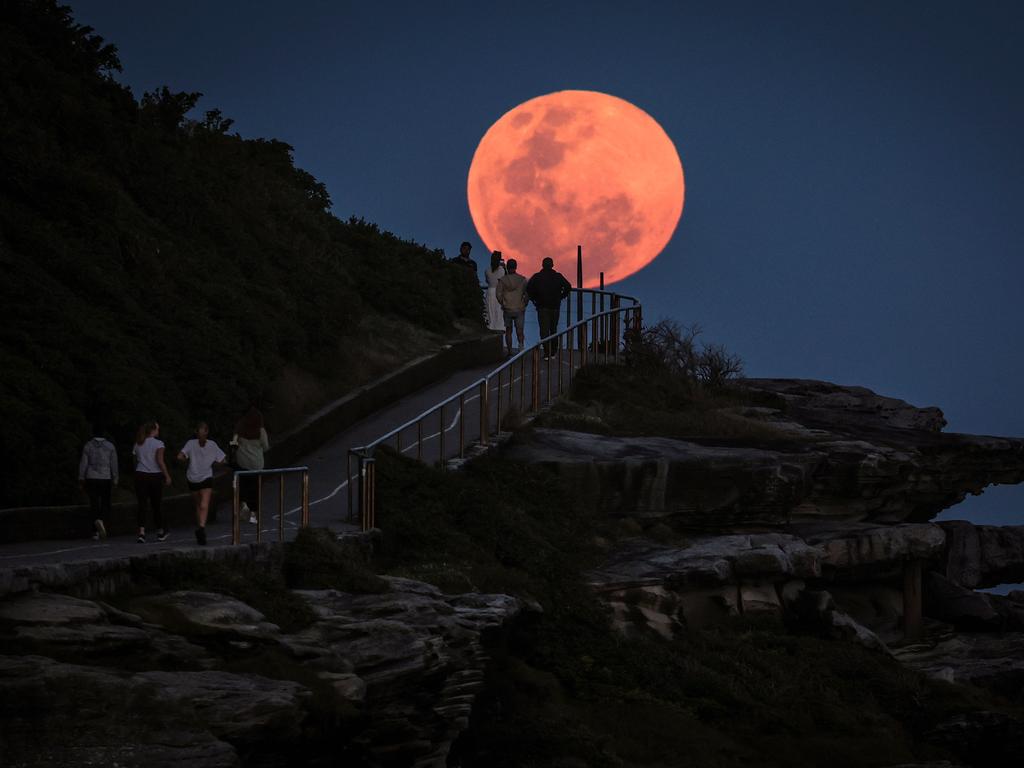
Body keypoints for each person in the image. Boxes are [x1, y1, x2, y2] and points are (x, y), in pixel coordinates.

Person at [177, 422, 226, 546]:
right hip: (193, 477)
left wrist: (216, 463)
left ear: (207, 432)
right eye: (199, 433)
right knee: (198, 504)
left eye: (203, 432)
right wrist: (184, 459)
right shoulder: (191, 444)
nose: (201, 435)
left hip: (206, 477)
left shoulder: (212, 445)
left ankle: (202, 529)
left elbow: (222, 459)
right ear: (197, 433)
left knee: (204, 504)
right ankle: (200, 527)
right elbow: (180, 456)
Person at [132, 421, 171, 543]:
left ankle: (141, 532)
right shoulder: (159, 444)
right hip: (154, 476)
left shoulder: (138, 443)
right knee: (156, 505)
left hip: (140, 475)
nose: (158, 431)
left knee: (142, 504)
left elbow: (135, 461)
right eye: (158, 429)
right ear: (153, 430)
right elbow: (160, 461)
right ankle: (160, 531)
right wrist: (167, 476)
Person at [526, 257, 572, 358]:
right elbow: (568, 286)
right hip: (555, 307)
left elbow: (529, 289)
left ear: (542, 265)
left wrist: (534, 300)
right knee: (553, 329)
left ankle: (547, 352)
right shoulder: (558, 276)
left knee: (544, 331)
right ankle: (553, 352)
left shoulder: (537, 277)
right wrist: (561, 296)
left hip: (542, 307)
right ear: (552, 265)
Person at [78, 425, 118, 540]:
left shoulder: (88, 445)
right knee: (105, 503)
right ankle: (101, 519)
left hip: (91, 477)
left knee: (94, 503)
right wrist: (115, 478)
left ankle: (94, 532)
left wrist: (81, 478)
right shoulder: (110, 446)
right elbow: (114, 464)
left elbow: (83, 463)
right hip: (105, 478)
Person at [233, 404, 270, 524]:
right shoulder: (260, 431)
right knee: (255, 489)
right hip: (256, 464)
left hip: (242, 462)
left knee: (243, 487)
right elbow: (265, 447)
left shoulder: (239, 428)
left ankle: (243, 507)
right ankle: (253, 514)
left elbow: (233, 443)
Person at [496, 258, 528, 355]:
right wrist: (525, 303)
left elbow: (498, 294)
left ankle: (510, 351)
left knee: (508, 331)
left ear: (507, 267)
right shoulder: (522, 280)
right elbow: (527, 294)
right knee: (520, 330)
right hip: (519, 308)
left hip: (507, 308)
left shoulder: (503, 280)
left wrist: (503, 302)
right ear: (516, 267)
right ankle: (521, 347)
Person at [483, 250, 506, 332]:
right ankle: (498, 326)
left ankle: (490, 325)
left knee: (490, 310)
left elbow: (487, 280)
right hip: (498, 291)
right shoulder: (502, 270)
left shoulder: (487, 270)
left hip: (490, 291)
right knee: (498, 310)